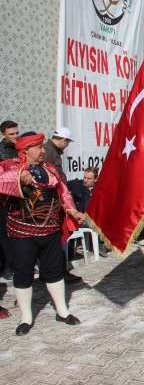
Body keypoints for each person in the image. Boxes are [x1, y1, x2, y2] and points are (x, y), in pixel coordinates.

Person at [0, 132, 85, 335]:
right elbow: (3, 178)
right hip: (22, 234)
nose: (43, 150)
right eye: (38, 147)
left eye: (42, 146)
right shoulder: (10, 167)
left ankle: (62, 311)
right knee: (23, 274)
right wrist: (19, 177)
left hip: (50, 232)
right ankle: (26, 318)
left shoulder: (51, 169)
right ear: (25, 150)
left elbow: (63, 193)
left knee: (55, 271)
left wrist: (72, 210)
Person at [43, 127, 81, 283]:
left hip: (56, 201)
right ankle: (58, 272)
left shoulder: (51, 151)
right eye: (67, 142)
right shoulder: (48, 152)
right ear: (63, 140)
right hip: (53, 203)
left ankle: (54, 272)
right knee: (58, 241)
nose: (67, 145)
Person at [67, 167, 108, 257]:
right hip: (78, 219)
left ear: (96, 179)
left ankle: (100, 245)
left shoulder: (100, 189)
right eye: (84, 177)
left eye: (88, 178)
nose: (85, 180)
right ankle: (70, 251)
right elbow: (63, 186)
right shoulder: (77, 184)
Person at [0, 120, 19, 296]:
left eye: (16, 133)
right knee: (5, 236)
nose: (15, 136)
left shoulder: (19, 148)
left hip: (17, 198)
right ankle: (8, 268)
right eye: (11, 134)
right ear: (3, 134)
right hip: (3, 199)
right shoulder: (1, 151)